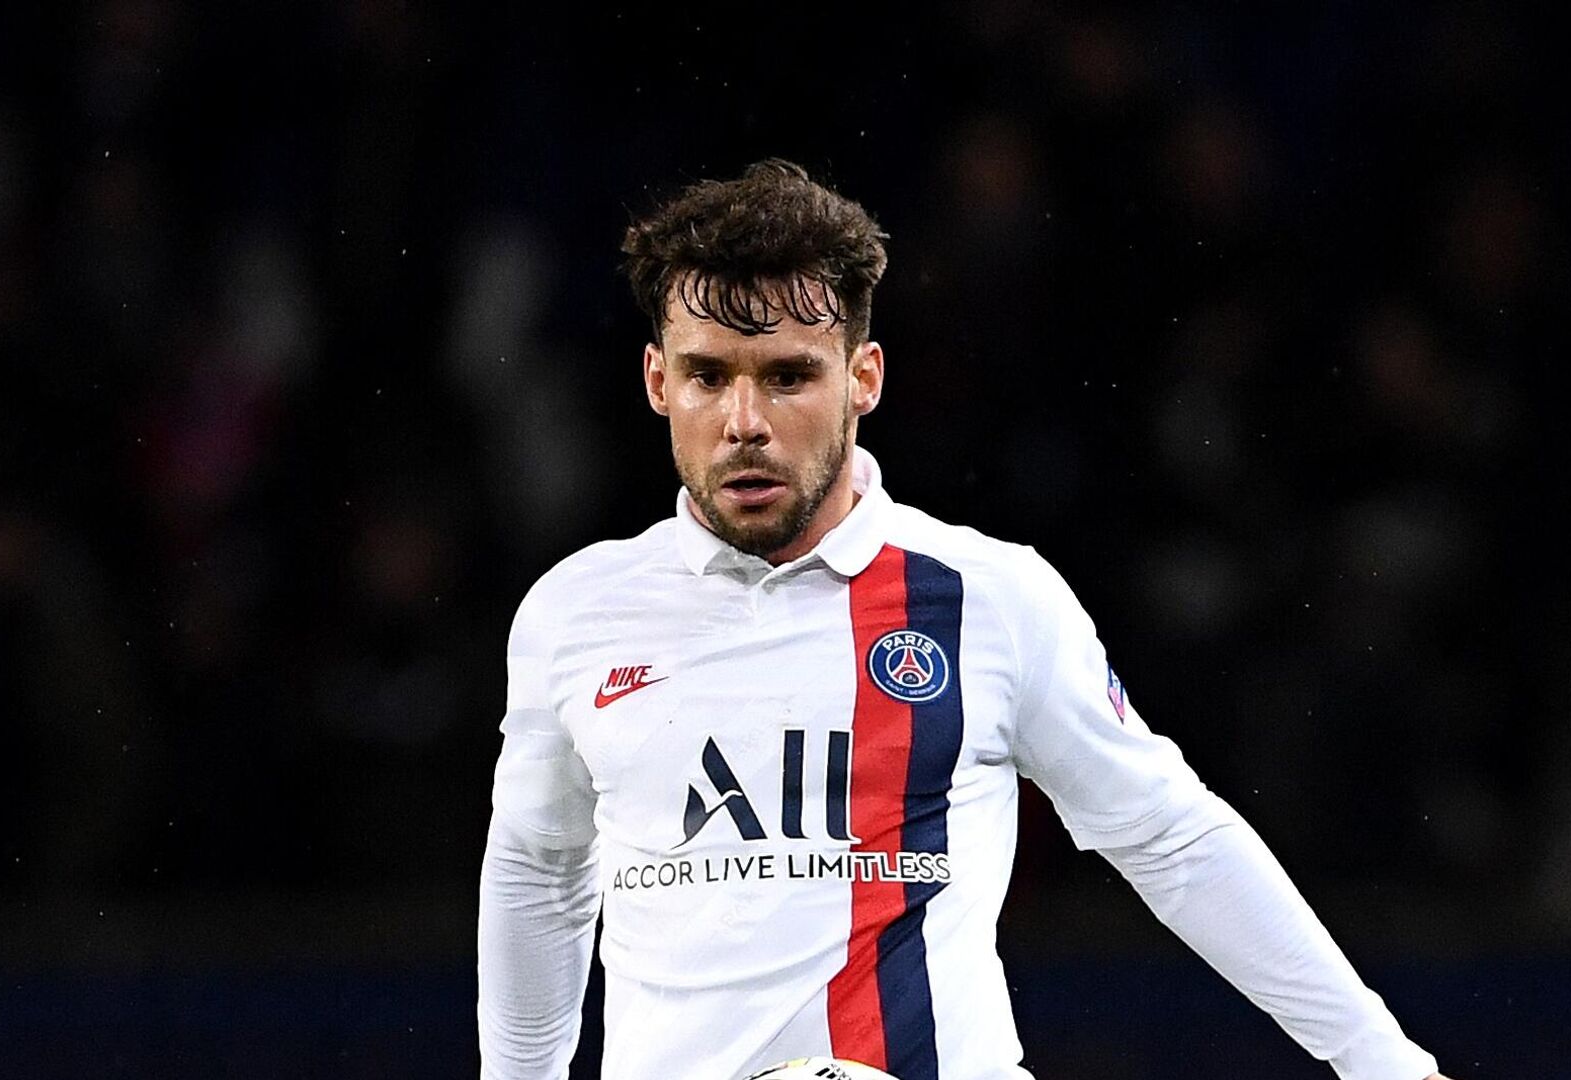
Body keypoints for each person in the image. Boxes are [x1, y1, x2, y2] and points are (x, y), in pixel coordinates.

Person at [477, 159, 1450, 1080]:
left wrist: (1382, 1060)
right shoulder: (576, 613)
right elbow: (539, 874)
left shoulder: (987, 600)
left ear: (864, 378)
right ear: (657, 383)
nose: (745, 421)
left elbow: (1172, 839)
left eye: (787, 376)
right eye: (708, 376)